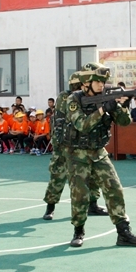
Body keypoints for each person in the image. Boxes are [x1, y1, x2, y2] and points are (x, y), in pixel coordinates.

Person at [64, 63, 136, 248]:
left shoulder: (108, 96)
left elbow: (124, 123)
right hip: (77, 154)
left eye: (103, 82)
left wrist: (122, 106)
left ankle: (123, 232)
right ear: (86, 83)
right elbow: (82, 125)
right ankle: (78, 230)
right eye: (98, 82)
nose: (102, 85)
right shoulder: (74, 99)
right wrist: (102, 110)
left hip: (99, 152)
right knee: (80, 194)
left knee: (114, 188)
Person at [42, 71, 105, 220]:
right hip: (64, 143)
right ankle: (50, 207)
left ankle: (93, 204)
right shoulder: (67, 97)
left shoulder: (88, 97)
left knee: (92, 176)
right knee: (58, 175)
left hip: (84, 144)